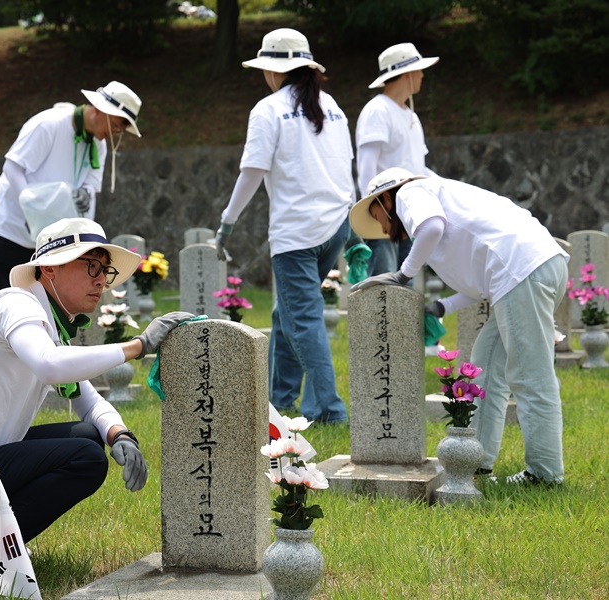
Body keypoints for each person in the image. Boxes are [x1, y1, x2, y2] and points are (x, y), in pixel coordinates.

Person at [0, 217, 193, 583]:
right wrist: (137, 346)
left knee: (87, 437)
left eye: (105, 270)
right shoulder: (16, 304)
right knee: (85, 458)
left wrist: (120, 434)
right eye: (91, 265)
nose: (100, 279)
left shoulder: (49, 326)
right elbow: (50, 367)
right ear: (48, 268)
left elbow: (88, 401)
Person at [350, 168, 569, 485]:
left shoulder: (410, 193)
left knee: (530, 376)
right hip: (530, 269)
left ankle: (545, 475)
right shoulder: (443, 195)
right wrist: (441, 306)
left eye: (378, 216)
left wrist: (403, 274)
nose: (383, 226)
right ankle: (476, 462)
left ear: (386, 197)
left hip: (521, 271)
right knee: (484, 369)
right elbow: (478, 283)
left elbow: (432, 227)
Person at [214, 28, 352, 424]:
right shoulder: (333, 106)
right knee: (286, 314)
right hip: (335, 226)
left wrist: (226, 224)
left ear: (273, 71)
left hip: (296, 235)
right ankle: (280, 396)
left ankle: (328, 409)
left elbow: (252, 171)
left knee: (303, 318)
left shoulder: (268, 109)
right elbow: (347, 167)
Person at [0, 81, 142, 307]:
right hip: (12, 227)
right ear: (101, 109)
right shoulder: (49, 123)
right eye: (118, 124)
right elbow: (13, 168)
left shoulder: (99, 145)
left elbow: (90, 187)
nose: (117, 132)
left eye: (122, 129)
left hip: (53, 240)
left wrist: (84, 196)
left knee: (40, 304)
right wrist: (31, 211)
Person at [355, 43, 438, 277]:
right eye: (419, 70)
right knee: (383, 284)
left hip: (409, 214)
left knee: (405, 284)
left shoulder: (411, 116)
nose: (422, 75)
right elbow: (366, 165)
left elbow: (417, 167)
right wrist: (371, 213)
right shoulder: (377, 110)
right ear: (407, 73)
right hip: (385, 215)